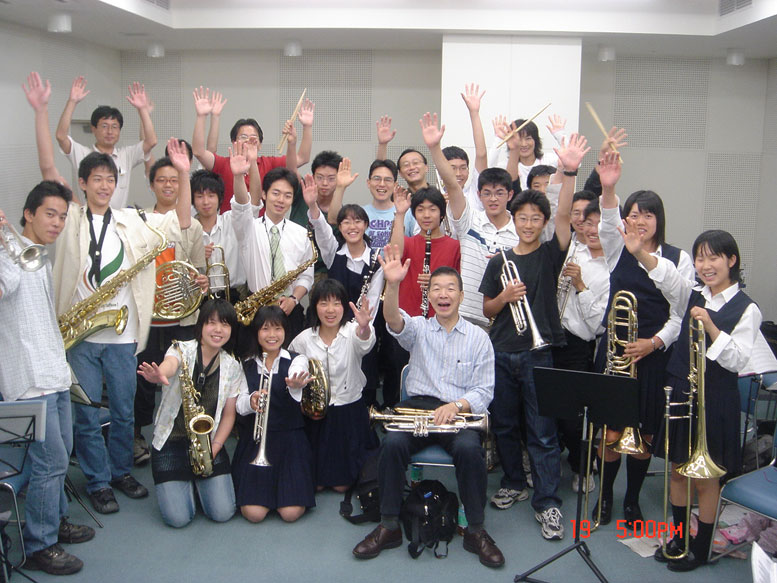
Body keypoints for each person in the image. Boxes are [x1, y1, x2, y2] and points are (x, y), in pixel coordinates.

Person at [54, 140, 192, 515]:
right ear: (83, 183)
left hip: (122, 333)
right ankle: (98, 482)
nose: (104, 185)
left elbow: (180, 222)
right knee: (86, 415)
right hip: (80, 334)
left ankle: (120, 473)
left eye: (110, 179)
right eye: (97, 179)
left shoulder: (133, 221)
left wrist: (184, 173)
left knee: (123, 411)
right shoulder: (69, 219)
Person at [353, 247, 504, 568]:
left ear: (461, 296)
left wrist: (457, 405)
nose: (443, 294)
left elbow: (484, 390)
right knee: (392, 444)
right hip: (417, 407)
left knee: (469, 450)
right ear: (429, 295)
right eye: (436, 289)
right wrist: (393, 284)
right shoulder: (419, 328)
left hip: (458, 412)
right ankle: (389, 525)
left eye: (450, 289)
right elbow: (393, 320)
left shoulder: (479, 338)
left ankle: (475, 529)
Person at [622, 229, 760, 572]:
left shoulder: (747, 308)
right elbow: (667, 276)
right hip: (682, 392)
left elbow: (737, 360)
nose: (705, 265)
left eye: (714, 258)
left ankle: (701, 548)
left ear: (732, 260)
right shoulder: (692, 294)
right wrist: (639, 253)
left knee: (706, 478)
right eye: (700, 258)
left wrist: (711, 326)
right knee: (678, 471)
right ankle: (679, 537)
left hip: (716, 400)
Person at [480, 133, 589, 540]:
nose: (528, 224)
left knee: (542, 432)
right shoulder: (499, 261)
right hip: (501, 351)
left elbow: (564, 214)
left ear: (543, 223)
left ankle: (547, 503)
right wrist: (504, 298)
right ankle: (514, 481)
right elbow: (487, 309)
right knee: (505, 425)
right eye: (522, 218)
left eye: (535, 219)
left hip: (538, 355)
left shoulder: (550, 254)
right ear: (514, 220)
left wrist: (569, 171)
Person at [593, 151, 694, 528]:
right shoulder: (616, 246)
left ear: (658, 220)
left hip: (653, 357)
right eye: (633, 214)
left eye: (647, 215)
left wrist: (654, 343)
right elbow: (607, 220)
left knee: (645, 436)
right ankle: (605, 497)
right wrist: (608, 188)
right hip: (615, 355)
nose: (639, 221)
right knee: (610, 433)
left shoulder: (678, 258)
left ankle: (632, 500)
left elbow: (681, 312)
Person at [0, 184, 93, 576]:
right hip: (28, 379)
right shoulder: (9, 254)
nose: (56, 222)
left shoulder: (39, 256)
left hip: (53, 373)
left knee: (61, 454)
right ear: (28, 214)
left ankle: (55, 520)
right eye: (49, 214)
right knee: (50, 460)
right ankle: (41, 544)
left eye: (61, 216)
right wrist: (5, 244)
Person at [138, 299, 244, 527]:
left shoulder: (232, 366)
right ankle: (189, 484)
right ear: (201, 325)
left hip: (207, 443)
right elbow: (169, 365)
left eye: (225, 324)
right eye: (211, 322)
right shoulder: (180, 349)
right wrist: (160, 374)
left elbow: (229, 415)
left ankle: (195, 482)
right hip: (171, 442)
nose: (218, 329)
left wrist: (214, 448)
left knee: (223, 513)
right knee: (178, 519)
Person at [133, 153, 208, 465]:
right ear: (151, 185)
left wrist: (202, 280)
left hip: (182, 318)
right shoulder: (138, 223)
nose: (168, 185)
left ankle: (183, 433)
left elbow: (198, 270)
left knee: (184, 377)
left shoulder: (193, 227)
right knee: (143, 379)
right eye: (161, 180)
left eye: (174, 180)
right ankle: (137, 435)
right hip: (148, 318)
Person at [420, 111, 517, 329]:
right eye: (487, 193)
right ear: (479, 195)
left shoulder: (519, 231)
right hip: (466, 314)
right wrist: (434, 148)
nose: (493, 199)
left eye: (499, 193)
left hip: (505, 319)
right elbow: (452, 185)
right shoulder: (469, 221)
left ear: (510, 195)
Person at [288, 278, 376, 491]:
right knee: (315, 485)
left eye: (336, 303)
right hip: (315, 415)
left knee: (342, 486)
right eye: (323, 303)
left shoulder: (354, 331)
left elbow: (365, 342)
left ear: (344, 306)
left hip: (348, 413)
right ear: (314, 306)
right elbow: (292, 364)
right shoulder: (303, 339)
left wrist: (364, 327)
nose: (330, 310)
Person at [232, 306, 315, 523]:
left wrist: (295, 385)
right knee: (254, 514)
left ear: (285, 331)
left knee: (290, 514)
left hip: (290, 439)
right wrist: (251, 401)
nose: (272, 335)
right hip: (256, 439)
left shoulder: (297, 359)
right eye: (265, 329)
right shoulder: (245, 364)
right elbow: (239, 405)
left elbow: (297, 377)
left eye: (277, 328)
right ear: (256, 332)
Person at [552, 199, 610, 493]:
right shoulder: (575, 250)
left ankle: (581, 467)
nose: (592, 229)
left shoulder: (613, 268)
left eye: (599, 224)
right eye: (587, 223)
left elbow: (599, 325)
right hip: (552, 336)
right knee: (547, 411)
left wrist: (580, 286)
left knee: (574, 419)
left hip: (579, 345)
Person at [230, 143, 314, 339]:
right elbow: (241, 207)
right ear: (264, 194)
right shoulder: (249, 228)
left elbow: (307, 276)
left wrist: (294, 299)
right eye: (275, 193)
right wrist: (238, 176)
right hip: (256, 310)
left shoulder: (301, 233)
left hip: (290, 310)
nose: (281, 200)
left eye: (287, 196)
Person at [191, 86, 314, 212]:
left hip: (260, 223)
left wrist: (307, 127)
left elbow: (302, 158)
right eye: (243, 137)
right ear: (234, 142)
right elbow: (199, 152)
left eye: (253, 137)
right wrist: (201, 116)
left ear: (260, 144)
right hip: (229, 223)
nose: (249, 141)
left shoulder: (269, 163)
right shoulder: (224, 164)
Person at [55, 76, 156, 209]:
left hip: (117, 219)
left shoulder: (126, 155)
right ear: (93, 129)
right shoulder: (82, 154)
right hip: (88, 217)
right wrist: (72, 102)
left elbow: (151, 141)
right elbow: (61, 136)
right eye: (104, 126)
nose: (110, 131)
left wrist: (142, 110)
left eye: (114, 127)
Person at [191, 169, 248, 302]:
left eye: (211, 196)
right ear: (193, 200)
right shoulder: (188, 230)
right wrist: (196, 256)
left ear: (219, 198)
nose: (206, 202)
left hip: (233, 296)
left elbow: (243, 206)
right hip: (201, 299)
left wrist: (238, 175)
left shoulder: (231, 221)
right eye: (200, 196)